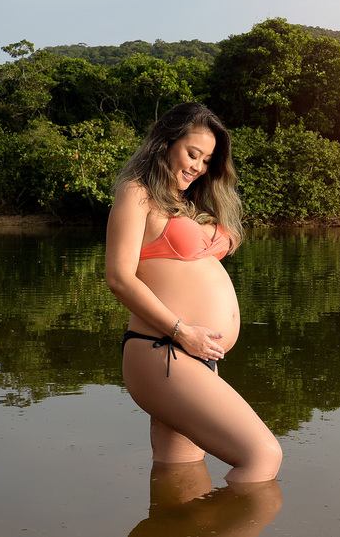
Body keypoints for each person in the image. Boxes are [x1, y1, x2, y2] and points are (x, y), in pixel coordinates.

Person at [106, 102, 282, 483]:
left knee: (179, 478)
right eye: (192, 153)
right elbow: (119, 278)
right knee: (262, 457)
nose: (198, 166)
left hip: (195, 355)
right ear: (166, 143)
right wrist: (183, 331)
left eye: (207, 160)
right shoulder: (136, 194)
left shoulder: (187, 205)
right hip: (165, 349)